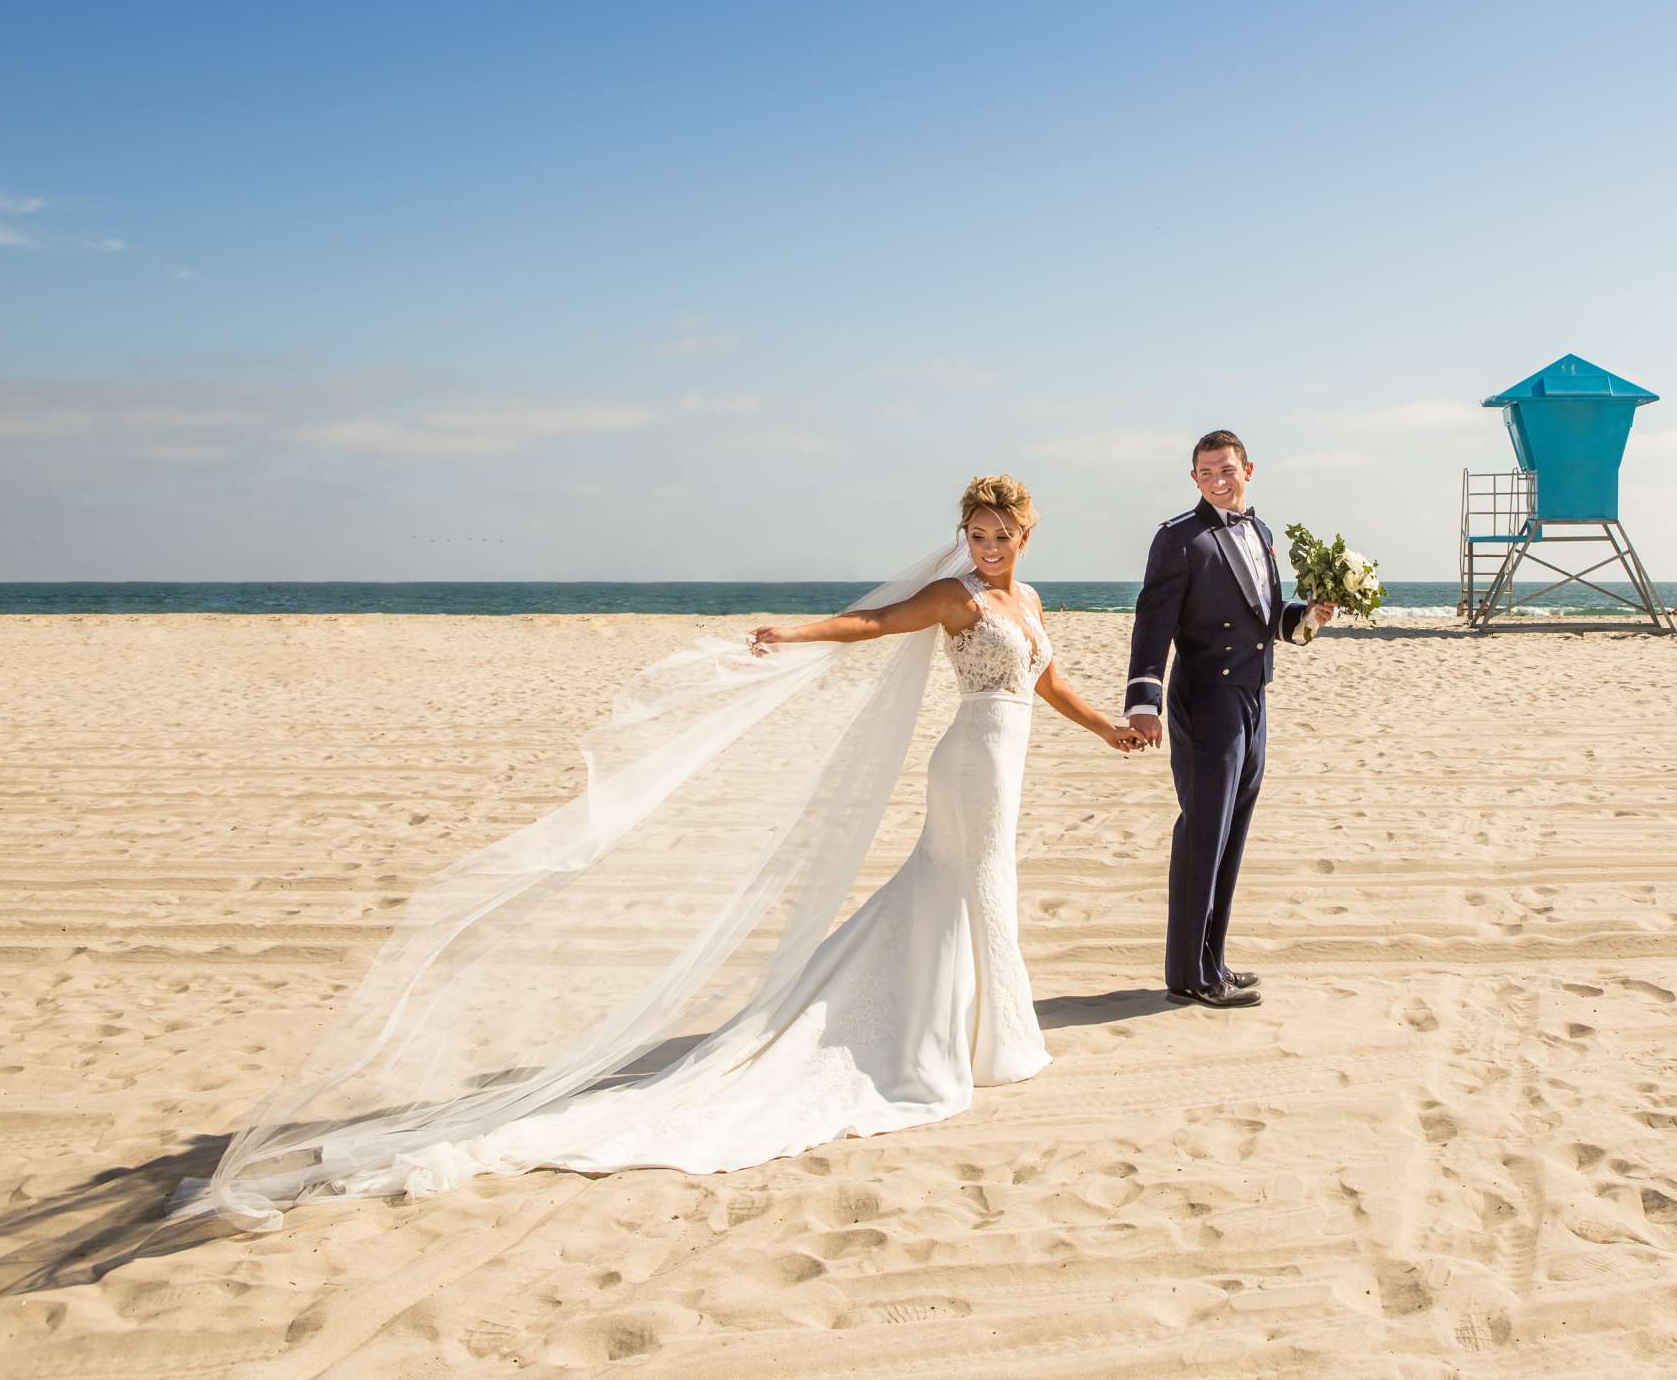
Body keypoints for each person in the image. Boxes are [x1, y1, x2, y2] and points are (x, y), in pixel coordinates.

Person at [181, 474, 1146, 1228]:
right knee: (962, 884)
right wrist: (797, 632)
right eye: (976, 534)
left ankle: (987, 1035)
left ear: (1026, 538)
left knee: (981, 890)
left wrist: (1107, 728)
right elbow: (871, 624)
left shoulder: (1032, 606)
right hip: (970, 761)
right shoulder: (955, 599)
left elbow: (1049, 684)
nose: (986, 547)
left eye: (999, 537)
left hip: (1009, 759)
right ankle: (956, 1043)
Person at [1126, 431, 1335, 1009]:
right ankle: (1187, 975)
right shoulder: (1179, 539)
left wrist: (1308, 616)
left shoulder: (1262, 534)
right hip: (1206, 700)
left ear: (1249, 469)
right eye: (1207, 472)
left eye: (1227, 469)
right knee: (1203, 833)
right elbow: (1153, 623)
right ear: (1195, 479)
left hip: (1253, 698)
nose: (1219, 480)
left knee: (1232, 835)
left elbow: (1265, 619)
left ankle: (1211, 960)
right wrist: (1145, 702)